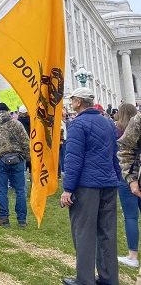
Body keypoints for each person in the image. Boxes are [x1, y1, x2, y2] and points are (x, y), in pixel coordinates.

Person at [60, 87, 121, 285]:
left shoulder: (78, 124)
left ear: (79, 102)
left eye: (73, 100)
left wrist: (68, 189)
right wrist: (117, 178)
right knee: (107, 233)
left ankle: (84, 279)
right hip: (108, 183)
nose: (71, 103)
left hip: (87, 186)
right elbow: (114, 154)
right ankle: (109, 278)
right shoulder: (108, 122)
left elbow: (73, 159)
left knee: (84, 233)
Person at [0, 103, 30, 227]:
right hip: (18, 159)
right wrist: (28, 158)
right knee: (20, 190)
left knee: (2, 190)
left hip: (0, 160)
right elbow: (26, 142)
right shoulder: (17, 124)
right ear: (8, 110)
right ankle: (22, 220)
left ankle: (3, 218)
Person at [115, 103, 141, 270]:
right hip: (131, 175)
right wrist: (132, 180)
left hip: (128, 174)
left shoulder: (116, 128)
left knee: (131, 217)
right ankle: (132, 256)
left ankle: (133, 255)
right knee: (130, 216)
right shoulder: (136, 122)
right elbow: (124, 149)